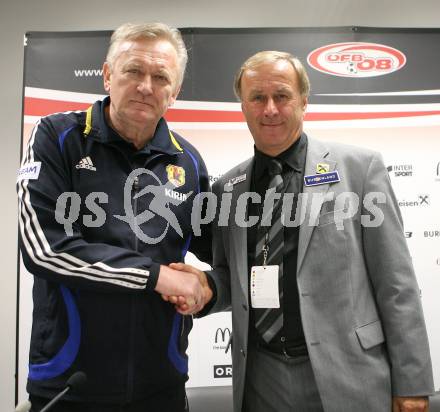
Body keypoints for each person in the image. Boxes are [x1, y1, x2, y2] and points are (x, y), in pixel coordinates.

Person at [171, 51, 434, 412]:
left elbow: (397, 285)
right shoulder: (227, 189)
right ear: (243, 107)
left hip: (348, 372)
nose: (270, 109)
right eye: (257, 98)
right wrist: (206, 287)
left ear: (303, 101)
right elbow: (236, 279)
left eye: (282, 96)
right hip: (261, 378)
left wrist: (413, 383)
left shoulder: (359, 170)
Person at [17, 22, 212, 412]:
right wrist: (156, 276)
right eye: (133, 71)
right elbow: (44, 250)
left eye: (160, 77)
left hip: (162, 389)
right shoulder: (56, 137)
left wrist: (209, 288)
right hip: (70, 386)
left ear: (174, 92)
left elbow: (223, 253)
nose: (146, 86)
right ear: (108, 75)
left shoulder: (188, 163)